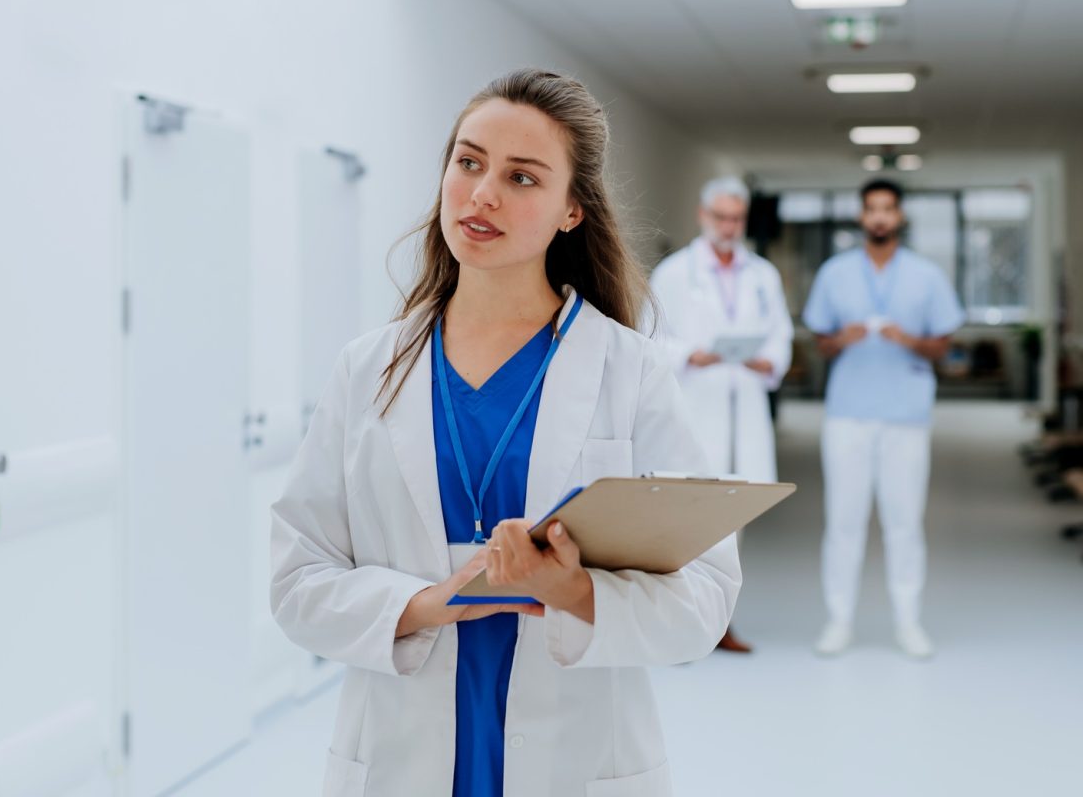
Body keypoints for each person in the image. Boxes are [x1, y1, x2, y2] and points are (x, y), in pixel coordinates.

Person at [271, 69, 739, 797]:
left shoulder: (630, 370)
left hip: (579, 759)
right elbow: (297, 578)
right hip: (400, 757)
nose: (483, 192)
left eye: (522, 177)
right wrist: (429, 603)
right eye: (469, 161)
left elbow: (707, 594)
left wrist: (576, 592)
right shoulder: (367, 369)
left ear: (571, 211)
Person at [802, 178, 964, 659]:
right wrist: (842, 340)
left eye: (887, 209)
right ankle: (839, 621)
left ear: (900, 217)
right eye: (871, 208)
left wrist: (909, 340)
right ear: (860, 216)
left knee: (904, 523)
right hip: (847, 414)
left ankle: (908, 623)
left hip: (906, 415)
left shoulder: (925, 276)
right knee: (843, 522)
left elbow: (944, 345)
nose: (879, 217)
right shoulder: (835, 273)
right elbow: (821, 342)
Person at [647, 176, 792, 652]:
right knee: (688, 520)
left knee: (735, 520)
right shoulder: (673, 273)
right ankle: (679, 628)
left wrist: (769, 358)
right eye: (721, 218)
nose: (729, 227)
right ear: (703, 217)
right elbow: (649, 340)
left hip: (745, 405)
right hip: (695, 408)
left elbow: (779, 334)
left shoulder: (762, 275)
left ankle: (721, 624)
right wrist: (692, 355)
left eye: (736, 219)